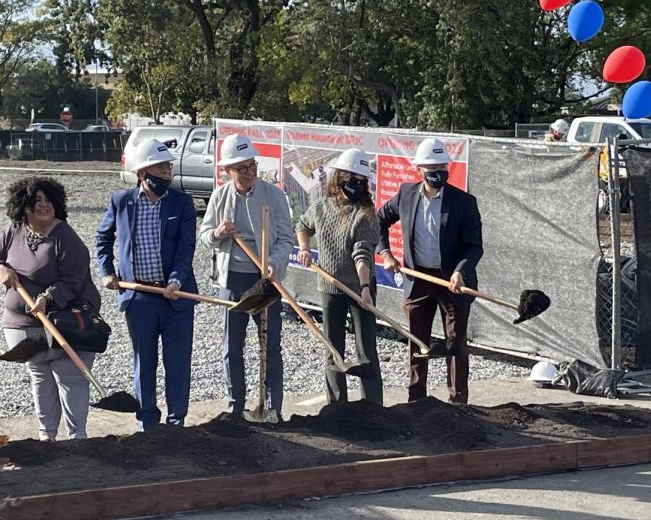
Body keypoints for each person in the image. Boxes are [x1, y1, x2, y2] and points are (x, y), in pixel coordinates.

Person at [0, 177, 101, 441]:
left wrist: (47, 298)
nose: (43, 205)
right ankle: (46, 438)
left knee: (69, 377)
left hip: (66, 324)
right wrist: (0, 268)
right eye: (36, 200)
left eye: (48, 200)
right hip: (23, 325)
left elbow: (74, 278)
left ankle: (77, 439)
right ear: (23, 205)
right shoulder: (14, 230)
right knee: (39, 374)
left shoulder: (66, 237)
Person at [96, 138, 197, 430]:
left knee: (178, 363)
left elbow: (186, 247)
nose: (167, 172)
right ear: (143, 173)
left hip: (176, 297)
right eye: (160, 167)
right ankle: (148, 425)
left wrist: (177, 279)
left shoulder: (182, 202)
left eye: (168, 167)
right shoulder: (121, 201)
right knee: (145, 362)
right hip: (138, 296)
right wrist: (107, 271)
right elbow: (103, 239)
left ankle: (176, 422)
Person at [376, 138, 483, 404]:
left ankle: (458, 402)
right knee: (417, 341)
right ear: (420, 169)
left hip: (452, 281)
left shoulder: (464, 202)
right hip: (418, 279)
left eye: (442, 166)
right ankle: (416, 401)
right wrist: (386, 253)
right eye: (432, 167)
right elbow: (379, 220)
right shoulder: (406, 195)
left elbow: (474, 246)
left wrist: (460, 271)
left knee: (455, 343)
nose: (438, 172)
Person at [199, 134, 294, 418]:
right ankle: (235, 408)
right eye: (243, 168)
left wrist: (274, 263)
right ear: (229, 171)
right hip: (233, 280)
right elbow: (204, 236)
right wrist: (218, 234)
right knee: (232, 346)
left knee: (271, 344)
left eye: (252, 165)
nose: (250, 172)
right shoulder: (220, 197)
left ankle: (273, 408)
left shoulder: (273, 196)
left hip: (265, 280)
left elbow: (286, 238)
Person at [296, 148, 383, 405]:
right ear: (340, 177)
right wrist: (304, 248)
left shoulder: (366, 214)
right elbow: (303, 226)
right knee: (333, 348)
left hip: (360, 289)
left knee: (366, 349)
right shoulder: (321, 207)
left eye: (361, 180)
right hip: (329, 287)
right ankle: (337, 406)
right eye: (352, 178)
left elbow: (362, 253)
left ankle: (373, 407)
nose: (357, 184)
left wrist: (365, 287)